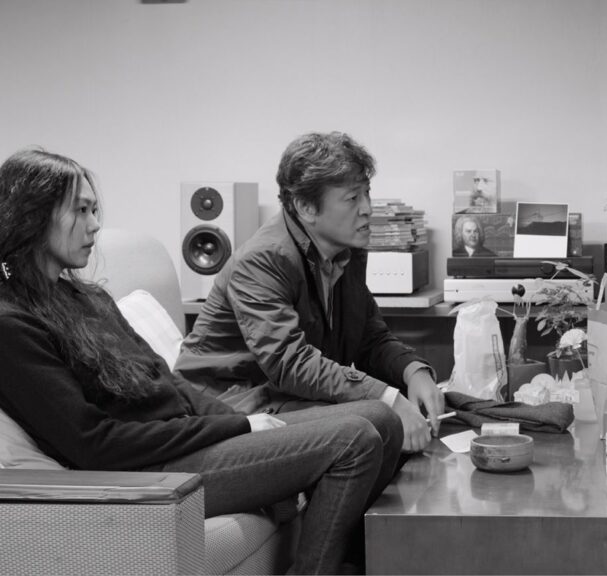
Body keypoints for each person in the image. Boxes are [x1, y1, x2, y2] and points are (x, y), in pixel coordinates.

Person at [0, 148, 402, 574]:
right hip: (149, 471)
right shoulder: (11, 325)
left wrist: (240, 425)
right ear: (33, 216)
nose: (95, 224)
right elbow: (94, 442)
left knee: (381, 418)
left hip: (188, 439)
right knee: (353, 439)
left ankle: (350, 563)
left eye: (94, 209)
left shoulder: (87, 297)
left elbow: (171, 383)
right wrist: (238, 425)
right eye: (80, 211)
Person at [174, 131, 444, 453]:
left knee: (431, 404)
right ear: (305, 206)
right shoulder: (263, 258)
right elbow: (291, 363)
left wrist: (413, 372)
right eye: (352, 198)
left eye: (367, 193)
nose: (368, 208)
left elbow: (369, 337)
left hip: (282, 398)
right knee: (378, 417)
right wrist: (387, 397)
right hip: (228, 406)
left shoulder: (346, 250)